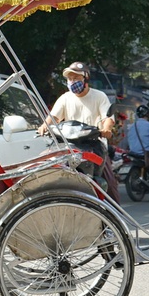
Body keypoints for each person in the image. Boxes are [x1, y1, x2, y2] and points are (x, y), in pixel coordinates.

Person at [37, 61, 120, 203]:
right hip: (69, 147)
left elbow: (108, 118)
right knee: (44, 168)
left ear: (85, 78)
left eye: (76, 78)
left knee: (109, 184)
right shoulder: (65, 98)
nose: (72, 81)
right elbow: (54, 117)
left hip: (94, 146)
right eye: (70, 79)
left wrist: (106, 129)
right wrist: (44, 126)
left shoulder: (99, 96)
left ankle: (113, 217)